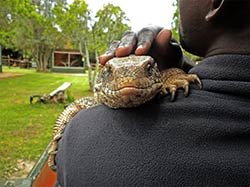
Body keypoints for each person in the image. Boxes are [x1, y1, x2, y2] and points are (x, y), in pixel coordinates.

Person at [55, 0, 249, 186]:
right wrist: (185, 66)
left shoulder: (82, 136)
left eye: (148, 69)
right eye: (111, 72)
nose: (128, 81)